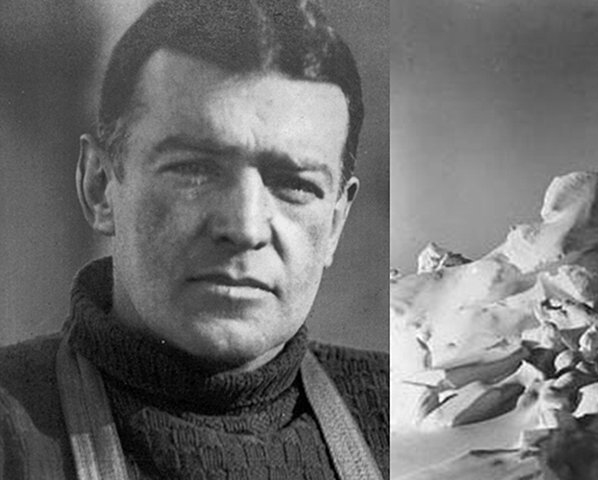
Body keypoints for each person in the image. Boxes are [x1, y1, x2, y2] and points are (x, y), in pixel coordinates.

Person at [0, 1, 388, 478]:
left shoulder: (403, 419)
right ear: (99, 186)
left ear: (334, 224)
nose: (245, 228)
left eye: (294, 185)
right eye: (195, 170)